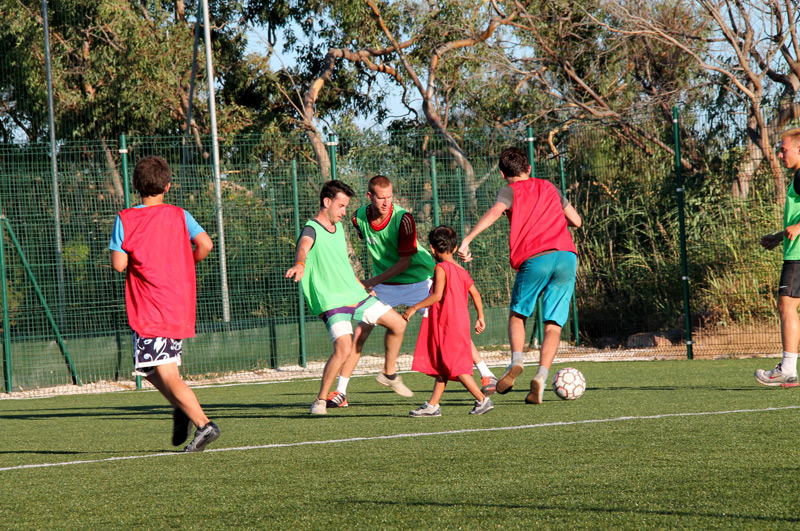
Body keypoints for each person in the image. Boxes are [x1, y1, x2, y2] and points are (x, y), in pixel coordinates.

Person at [324, 175, 496, 409]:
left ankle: (486, 374)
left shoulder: (403, 219)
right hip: (386, 285)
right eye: (381, 198)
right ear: (369, 197)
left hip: (419, 281)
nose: (386, 203)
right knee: (360, 334)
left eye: (390, 197)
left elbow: (404, 263)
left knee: (449, 329)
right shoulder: (358, 218)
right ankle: (341, 392)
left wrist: (370, 281)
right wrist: (374, 282)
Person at [109, 156, 220, 452]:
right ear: (168, 186)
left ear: (135, 186)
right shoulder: (179, 214)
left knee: (167, 373)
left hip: (151, 308)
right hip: (178, 303)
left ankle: (204, 425)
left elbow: (119, 265)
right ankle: (183, 409)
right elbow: (206, 244)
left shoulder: (126, 218)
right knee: (149, 369)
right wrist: (186, 261)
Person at [458, 146, 582, 404]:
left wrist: (467, 239)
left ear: (503, 174)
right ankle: (541, 376)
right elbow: (577, 221)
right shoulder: (549, 187)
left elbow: (494, 212)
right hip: (567, 257)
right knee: (553, 324)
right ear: (528, 169)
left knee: (518, 315)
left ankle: (516, 362)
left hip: (536, 258)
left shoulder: (508, 191)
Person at [285, 180, 411, 414]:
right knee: (343, 348)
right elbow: (303, 246)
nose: (345, 212)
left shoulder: (339, 228)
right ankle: (321, 400)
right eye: (341, 206)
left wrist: (361, 286)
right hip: (332, 301)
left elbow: (342, 265)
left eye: (346, 207)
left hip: (354, 295)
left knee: (398, 323)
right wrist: (300, 264)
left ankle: (389, 373)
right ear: (326, 202)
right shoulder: (311, 228)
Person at [402, 226, 493, 416]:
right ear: (455, 247)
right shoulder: (461, 270)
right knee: (444, 366)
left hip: (448, 324)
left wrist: (414, 307)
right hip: (460, 322)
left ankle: (482, 399)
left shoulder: (441, 268)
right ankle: (433, 405)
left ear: (432, 249)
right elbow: (475, 294)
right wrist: (480, 317)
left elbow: (437, 295)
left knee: (455, 366)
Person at [755, 128, 800, 387]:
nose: (780, 154)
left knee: (786, 306)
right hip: (794, 249)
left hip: (798, 256)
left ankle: (788, 369)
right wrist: (778, 235)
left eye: (783, 149)